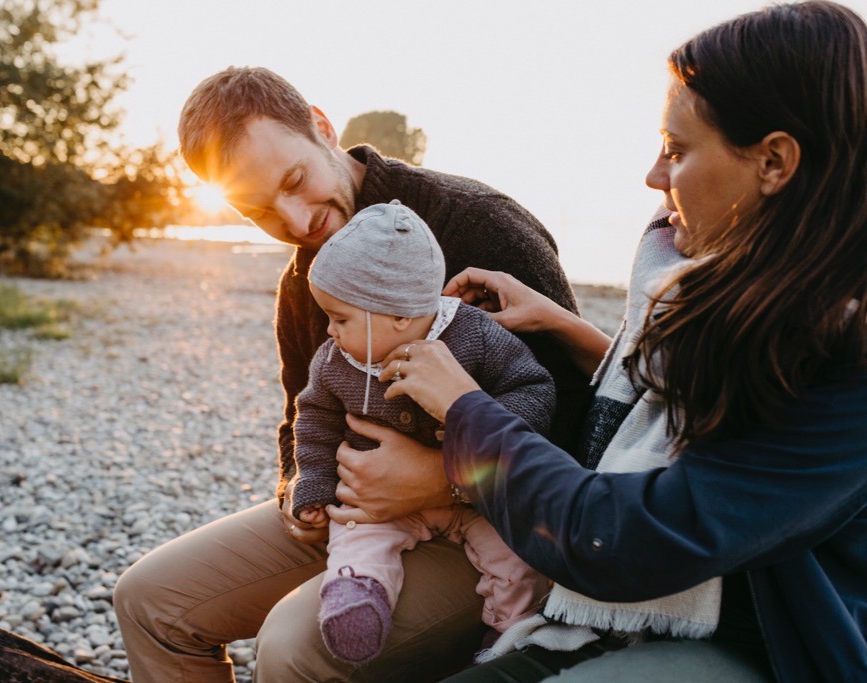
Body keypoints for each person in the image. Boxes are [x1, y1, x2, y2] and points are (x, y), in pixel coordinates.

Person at [372, 2, 867, 680]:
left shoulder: (845, 354)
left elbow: (616, 539)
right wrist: (566, 327)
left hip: (772, 643)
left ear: (775, 161)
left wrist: (463, 409)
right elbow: (683, 403)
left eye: (677, 150)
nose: (654, 177)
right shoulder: (733, 292)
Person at [115, 67, 588, 683]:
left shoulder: (478, 225)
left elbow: (580, 424)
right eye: (259, 210)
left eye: (295, 181)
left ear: (321, 127)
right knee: (150, 600)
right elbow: (301, 413)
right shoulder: (301, 282)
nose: (296, 220)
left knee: (291, 646)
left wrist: (442, 480)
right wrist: (298, 491)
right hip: (359, 516)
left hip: (502, 527)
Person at [290, 201, 555, 665]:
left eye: (341, 318)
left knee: (518, 560)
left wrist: (485, 437)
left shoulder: (473, 336)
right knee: (355, 536)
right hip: (379, 503)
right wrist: (312, 484)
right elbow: (313, 421)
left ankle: (510, 637)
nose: (329, 331)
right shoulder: (336, 362)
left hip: (480, 500)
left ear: (396, 314)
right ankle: (357, 599)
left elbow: (532, 388)